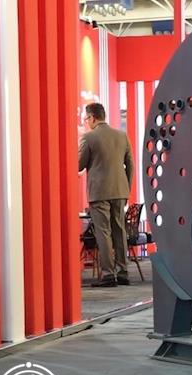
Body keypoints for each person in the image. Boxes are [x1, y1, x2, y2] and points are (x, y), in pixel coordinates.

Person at [79, 103, 134, 287]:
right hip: (120, 190)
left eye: (86, 119)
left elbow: (78, 165)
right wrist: (126, 188)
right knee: (119, 230)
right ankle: (123, 272)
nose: (86, 122)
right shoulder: (121, 136)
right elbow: (130, 164)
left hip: (99, 192)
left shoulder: (89, 137)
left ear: (92, 117)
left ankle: (109, 274)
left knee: (103, 232)